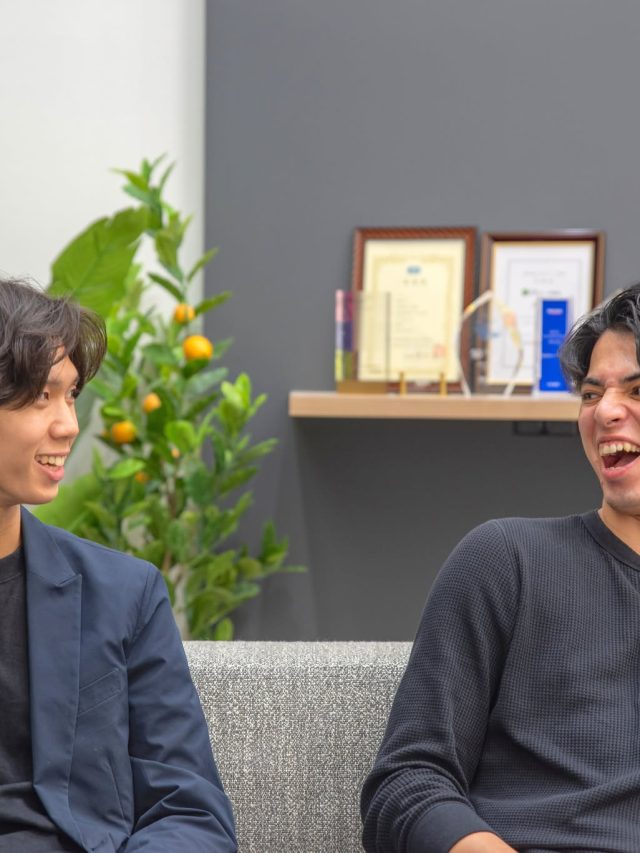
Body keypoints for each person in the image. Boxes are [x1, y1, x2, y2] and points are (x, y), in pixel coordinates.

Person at [361, 282, 640, 853]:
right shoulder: (508, 560)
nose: (606, 411)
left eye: (636, 390)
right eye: (591, 394)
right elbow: (405, 786)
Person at [0, 278, 236, 851]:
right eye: (42, 396)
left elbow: (192, 812)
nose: (69, 424)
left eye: (71, 395)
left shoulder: (123, 593)